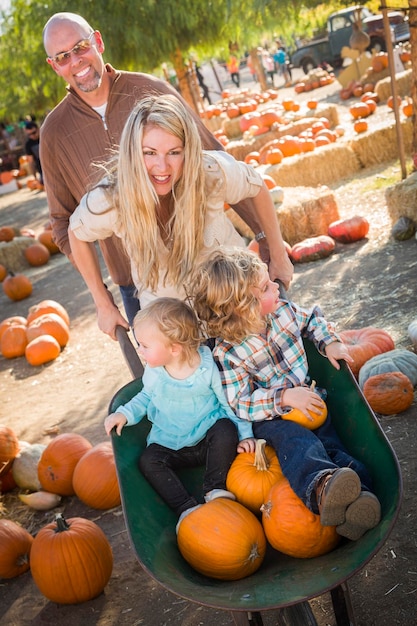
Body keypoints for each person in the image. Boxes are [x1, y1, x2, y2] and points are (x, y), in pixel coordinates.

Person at [41, 12, 292, 329]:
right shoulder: (54, 133)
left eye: (80, 47)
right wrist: (102, 300)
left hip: (210, 267)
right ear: (54, 66)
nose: (75, 61)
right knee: (179, 369)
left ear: (98, 42)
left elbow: (216, 163)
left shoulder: (152, 91)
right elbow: (66, 225)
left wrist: (265, 238)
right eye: (63, 57)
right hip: (139, 286)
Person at [192, 248, 382, 541]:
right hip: (272, 418)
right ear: (245, 307)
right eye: (267, 287)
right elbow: (240, 402)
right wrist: (283, 398)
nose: (276, 286)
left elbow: (313, 320)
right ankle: (320, 488)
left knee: (332, 447)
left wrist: (329, 342)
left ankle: (359, 502)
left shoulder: (284, 311)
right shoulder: (227, 353)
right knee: (300, 444)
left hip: (310, 401)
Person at [68, 94, 291, 339]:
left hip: (237, 310)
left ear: (188, 150)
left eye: (174, 152)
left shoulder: (210, 173)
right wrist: (102, 303)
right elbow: (76, 233)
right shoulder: (112, 198)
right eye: (149, 153)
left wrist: (278, 254)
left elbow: (257, 186)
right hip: (175, 328)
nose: (162, 167)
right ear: (132, 153)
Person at [104, 297, 253, 532]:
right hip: (170, 443)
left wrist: (245, 435)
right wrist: (124, 414)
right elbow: (145, 397)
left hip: (207, 438)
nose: (140, 351)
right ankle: (185, 507)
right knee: (148, 460)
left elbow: (229, 404)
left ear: (174, 348)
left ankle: (215, 488)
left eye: (144, 345)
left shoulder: (208, 367)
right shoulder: (154, 372)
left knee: (225, 429)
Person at [24, 121, 44, 188]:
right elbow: (31, 162)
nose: (32, 136)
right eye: (29, 134)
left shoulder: (45, 137)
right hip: (42, 170)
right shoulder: (29, 144)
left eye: (34, 133)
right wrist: (35, 177)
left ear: (38, 129)